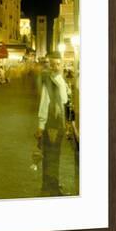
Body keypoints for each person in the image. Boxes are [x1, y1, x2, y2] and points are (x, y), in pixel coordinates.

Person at [35, 51, 71, 196]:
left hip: (59, 123)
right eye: (53, 64)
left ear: (61, 64)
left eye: (58, 64)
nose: (56, 67)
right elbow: (44, 104)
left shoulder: (61, 80)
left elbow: (64, 101)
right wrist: (41, 126)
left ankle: (51, 185)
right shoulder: (48, 81)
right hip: (51, 124)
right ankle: (49, 187)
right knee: (50, 156)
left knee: (55, 156)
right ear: (49, 65)